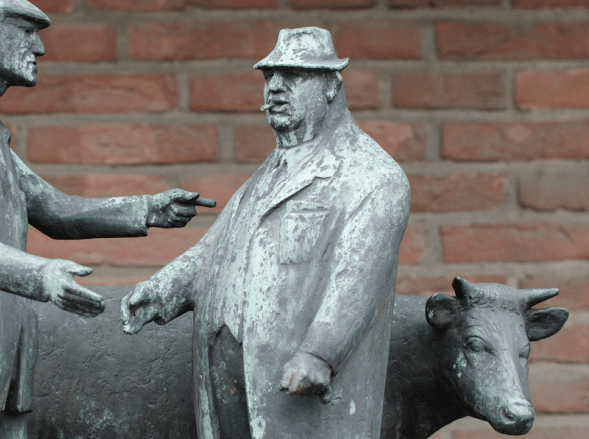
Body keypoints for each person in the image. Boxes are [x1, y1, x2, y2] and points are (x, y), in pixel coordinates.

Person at [0, 1, 213, 438]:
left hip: (5, 367)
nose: (39, 47)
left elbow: (57, 211)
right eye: (26, 31)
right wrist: (41, 275)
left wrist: (147, 208)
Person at [122, 27, 410, 439]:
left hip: (296, 388)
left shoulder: (373, 177)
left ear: (331, 85)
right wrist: (164, 287)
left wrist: (319, 354)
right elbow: (218, 250)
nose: (275, 87)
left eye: (293, 76)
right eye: (269, 76)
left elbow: (356, 280)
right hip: (228, 374)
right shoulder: (270, 170)